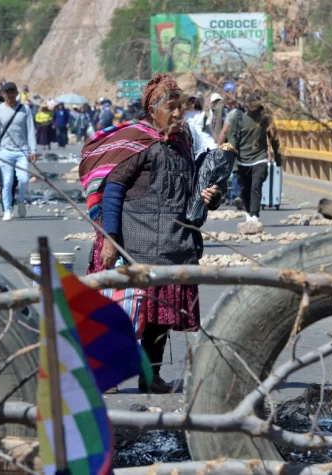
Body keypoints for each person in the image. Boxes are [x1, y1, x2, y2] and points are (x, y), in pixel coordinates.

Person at [79, 74, 222, 393]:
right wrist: (111, 239)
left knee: (160, 316)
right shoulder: (138, 142)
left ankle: (150, 376)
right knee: (122, 316)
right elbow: (113, 190)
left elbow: (192, 191)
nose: (176, 114)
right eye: (169, 108)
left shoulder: (185, 143)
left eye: (180, 108)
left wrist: (211, 196)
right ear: (153, 111)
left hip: (172, 244)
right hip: (133, 244)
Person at [218, 91, 282, 223]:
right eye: (250, 101)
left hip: (260, 157)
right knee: (245, 189)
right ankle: (249, 212)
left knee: (256, 186)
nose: (252, 103)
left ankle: (254, 215)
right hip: (243, 160)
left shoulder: (265, 117)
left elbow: (274, 138)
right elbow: (233, 138)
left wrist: (278, 156)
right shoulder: (238, 116)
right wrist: (230, 158)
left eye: (255, 101)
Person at [0, 82, 37, 222]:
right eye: (7, 92)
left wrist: (33, 150)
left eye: (12, 92)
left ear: (16, 93)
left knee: (24, 179)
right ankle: (7, 210)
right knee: (7, 182)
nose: (10, 95)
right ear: (3, 94)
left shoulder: (25, 109)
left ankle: (20, 202)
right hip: (5, 151)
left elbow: (30, 130)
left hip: (22, 151)